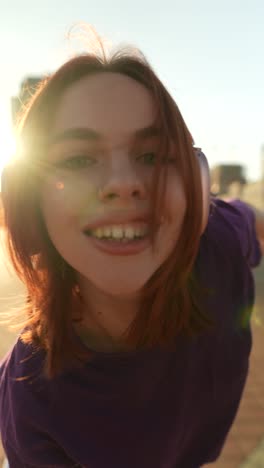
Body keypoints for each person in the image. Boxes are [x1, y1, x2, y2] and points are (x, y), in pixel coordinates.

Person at [0, 33, 263, 468]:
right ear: (30, 207)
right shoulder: (31, 395)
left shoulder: (219, 240)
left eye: (154, 155)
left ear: (195, 191)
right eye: (79, 160)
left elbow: (246, 217)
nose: (123, 183)